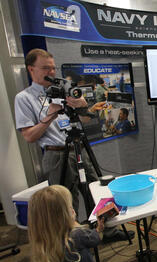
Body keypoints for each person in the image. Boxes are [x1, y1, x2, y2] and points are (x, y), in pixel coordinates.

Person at [14, 48, 133, 242]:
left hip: (77, 148)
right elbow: (29, 136)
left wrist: (82, 106)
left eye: (53, 68)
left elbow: (85, 120)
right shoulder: (24, 98)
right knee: (66, 201)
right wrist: (51, 113)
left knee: (98, 189)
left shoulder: (63, 91)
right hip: (56, 155)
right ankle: (73, 242)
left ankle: (108, 231)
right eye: (45, 68)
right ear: (31, 69)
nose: (51, 73)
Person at [28, 185, 109, 262]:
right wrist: (99, 229)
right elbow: (95, 239)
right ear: (63, 216)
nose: (73, 210)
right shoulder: (77, 235)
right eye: (69, 207)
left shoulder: (46, 242)